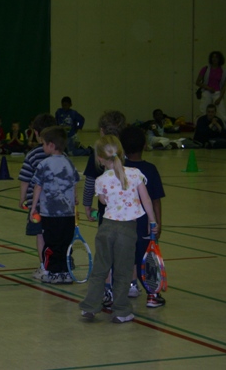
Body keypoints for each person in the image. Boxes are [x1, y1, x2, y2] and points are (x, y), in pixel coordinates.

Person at [79, 135, 158, 323]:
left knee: (100, 269)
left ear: (99, 158)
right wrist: (152, 221)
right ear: (121, 153)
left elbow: (103, 201)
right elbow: (147, 200)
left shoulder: (101, 180)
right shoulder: (136, 173)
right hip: (127, 230)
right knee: (123, 272)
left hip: (106, 228)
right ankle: (121, 311)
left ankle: (90, 308)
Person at [81, 110, 126, 307]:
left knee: (106, 251)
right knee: (125, 250)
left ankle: (107, 289)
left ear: (101, 131)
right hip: (129, 216)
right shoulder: (124, 152)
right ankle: (130, 284)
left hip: (107, 214)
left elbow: (90, 182)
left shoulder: (97, 154)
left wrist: (86, 204)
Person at [120, 126, 166, 308]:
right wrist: (157, 223)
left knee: (124, 258)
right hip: (145, 225)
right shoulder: (150, 169)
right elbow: (155, 201)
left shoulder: (119, 170)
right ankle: (152, 295)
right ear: (145, 145)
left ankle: (120, 291)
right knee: (147, 260)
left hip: (124, 225)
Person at [29, 126, 80, 284]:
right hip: (68, 214)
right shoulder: (69, 163)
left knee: (51, 243)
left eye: (43, 144)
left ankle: (52, 272)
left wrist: (33, 208)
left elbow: (38, 187)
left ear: (51, 145)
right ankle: (65, 272)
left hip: (50, 214)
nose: (42, 147)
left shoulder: (44, 164)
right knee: (65, 243)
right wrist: (75, 202)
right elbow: (74, 185)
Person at [18, 113, 57, 279]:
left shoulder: (32, 155)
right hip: (58, 206)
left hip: (38, 206)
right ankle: (58, 264)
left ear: (35, 133)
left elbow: (25, 179)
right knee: (56, 234)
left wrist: (22, 199)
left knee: (41, 235)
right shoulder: (62, 155)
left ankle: (44, 267)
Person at [196, 51, 226, 124]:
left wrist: (220, 98)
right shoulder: (205, 69)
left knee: (221, 112)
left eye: (216, 57)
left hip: (218, 93)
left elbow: (223, 87)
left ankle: (223, 129)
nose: (214, 59)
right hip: (206, 91)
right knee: (204, 111)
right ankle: (202, 129)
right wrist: (208, 88)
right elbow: (197, 82)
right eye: (213, 57)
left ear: (220, 59)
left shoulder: (224, 71)